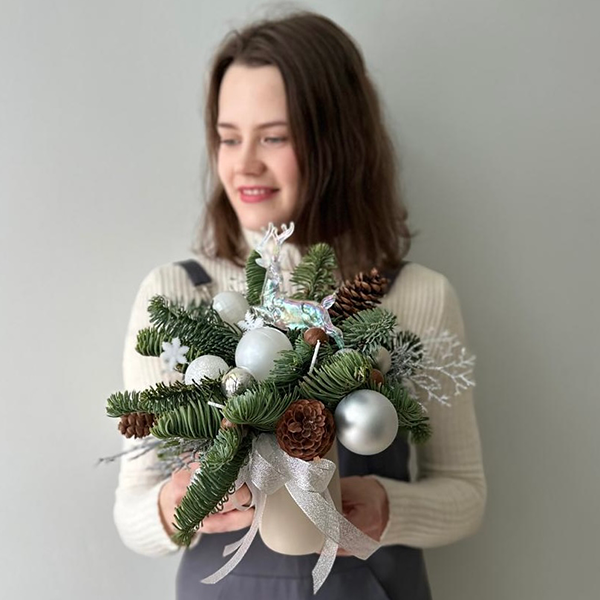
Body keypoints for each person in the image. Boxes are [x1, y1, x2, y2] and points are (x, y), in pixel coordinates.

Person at [114, 10, 486, 599]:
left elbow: (465, 493)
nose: (244, 163)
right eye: (228, 137)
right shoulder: (177, 295)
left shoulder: (417, 296)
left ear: (337, 142)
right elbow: (131, 506)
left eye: (274, 137)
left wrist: (389, 508)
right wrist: (173, 505)